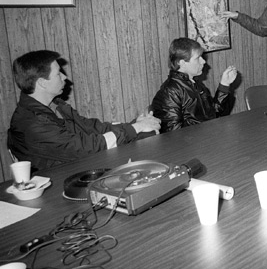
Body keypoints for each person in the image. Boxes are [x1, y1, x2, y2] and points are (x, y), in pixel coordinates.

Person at [8, 50, 161, 172]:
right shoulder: (31, 123)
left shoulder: (56, 106)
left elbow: (92, 127)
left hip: (82, 168)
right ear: (42, 83)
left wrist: (136, 124)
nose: (64, 77)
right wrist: (134, 129)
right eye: (58, 73)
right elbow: (86, 148)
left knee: (147, 141)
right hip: (59, 188)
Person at [151, 38, 237, 133]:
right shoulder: (170, 92)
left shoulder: (195, 84)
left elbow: (215, 115)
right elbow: (173, 135)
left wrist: (224, 85)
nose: (203, 61)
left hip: (208, 138)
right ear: (182, 63)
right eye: (198, 58)